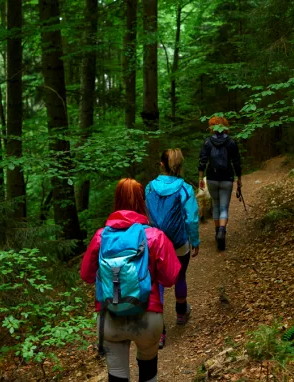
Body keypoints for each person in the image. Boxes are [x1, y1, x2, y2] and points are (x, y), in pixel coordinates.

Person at [81, 178, 181, 382]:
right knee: (148, 372)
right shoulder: (155, 236)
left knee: (116, 377)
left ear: (116, 201)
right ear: (141, 202)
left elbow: (86, 276)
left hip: (110, 316)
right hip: (148, 316)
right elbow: (170, 278)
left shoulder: (101, 237)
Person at [145, 149, 200, 349]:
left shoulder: (150, 188)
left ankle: (160, 334)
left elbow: (148, 214)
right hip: (178, 243)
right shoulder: (185, 188)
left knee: (157, 284)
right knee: (180, 276)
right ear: (180, 165)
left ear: (162, 164)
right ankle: (180, 313)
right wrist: (195, 240)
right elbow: (192, 218)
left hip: (155, 243)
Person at [198, 116, 242, 250]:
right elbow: (236, 162)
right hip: (227, 178)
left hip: (211, 178)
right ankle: (222, 231)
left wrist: (200, 178)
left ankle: (217, 232)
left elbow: (202, 161)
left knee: (216, 205)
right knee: (224, 207)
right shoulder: (231, 142)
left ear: (212, 127)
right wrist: (239, 178)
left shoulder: (207, 142)